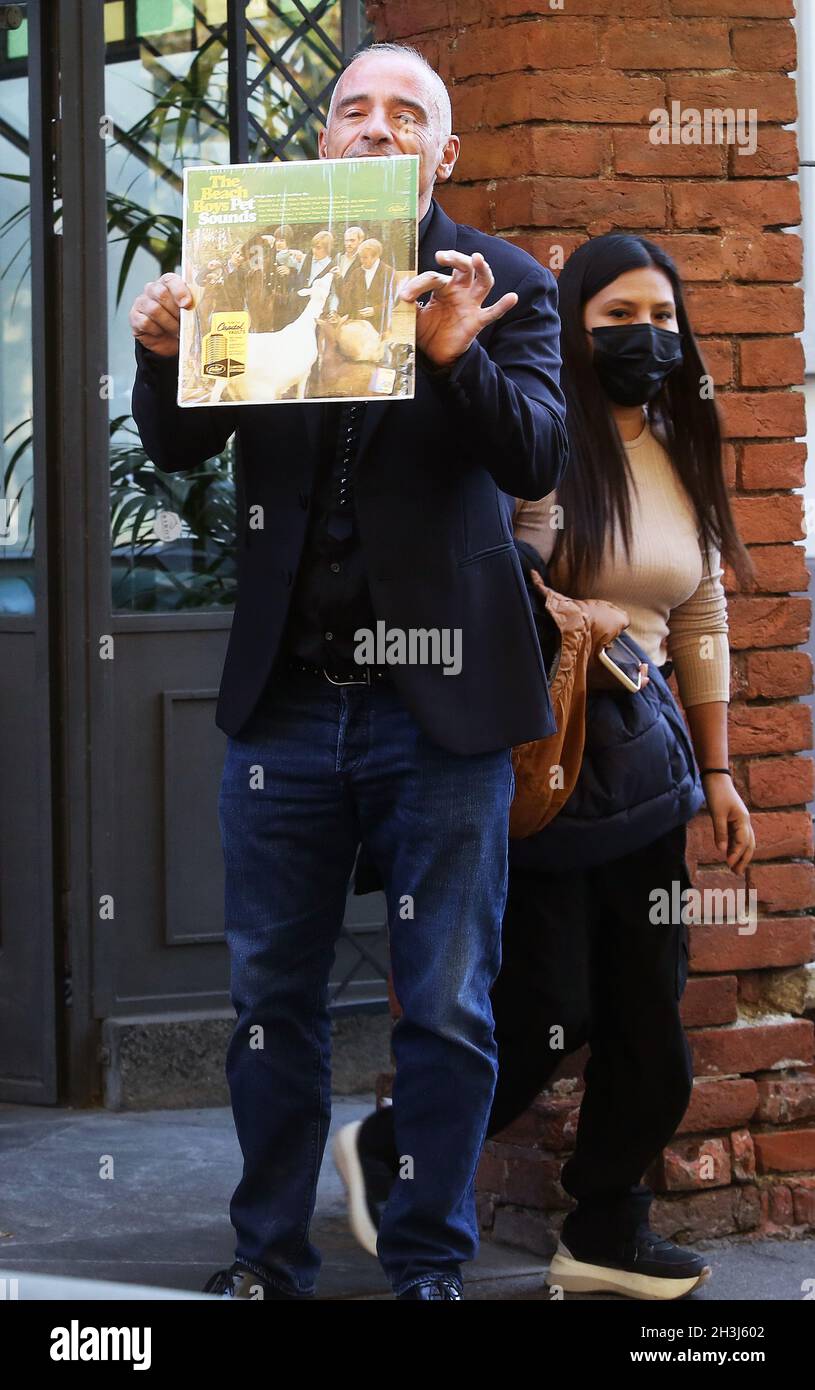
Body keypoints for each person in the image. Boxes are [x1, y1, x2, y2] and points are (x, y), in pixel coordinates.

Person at [128, 40, 568, 1302]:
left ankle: (427, 1264)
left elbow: (536, 453)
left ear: (443, 153)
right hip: (286, 702)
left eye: (402, 115)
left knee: (444, 1005)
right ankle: (266, 1256)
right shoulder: (261, 261)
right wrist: (163, 345)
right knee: (272, 992)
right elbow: (171, 450)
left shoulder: (505, 283)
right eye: (350, 110)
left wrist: (453, 356)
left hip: (440, 711)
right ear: (322, 142)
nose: (372, 129)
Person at [335, 232, 756, 1301]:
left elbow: (700, 610)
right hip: (549, 762)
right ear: (570, 324)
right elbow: (508, 562)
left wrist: (717, 771)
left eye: (661, 318)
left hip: (651, 770)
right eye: (617, 318)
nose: (645, 338)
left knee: (646, 1019)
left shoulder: (677, 440)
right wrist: (576, 617)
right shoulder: (548, 439)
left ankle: (607, 1224)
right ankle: (388, 1151)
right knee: (534, 1014)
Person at [338, 237, 397, 336]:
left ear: (376, 256)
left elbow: (394, 299)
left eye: (365, 258)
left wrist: (376, 310)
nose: (362, 261)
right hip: (359, 326)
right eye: (360, 257)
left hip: (380, 326)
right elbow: (346, 295)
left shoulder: (389, 273)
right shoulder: (356, 273)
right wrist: (338, 279)